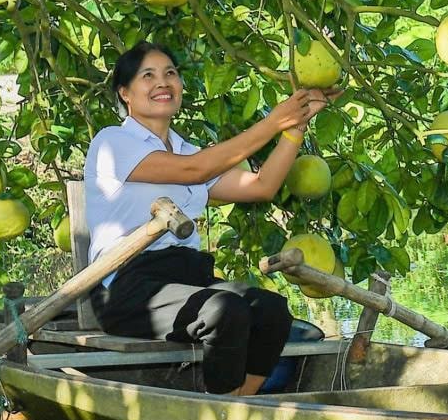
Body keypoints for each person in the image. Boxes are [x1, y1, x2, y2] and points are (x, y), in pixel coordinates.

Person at [85, 40, 340, 396]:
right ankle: (223, 413)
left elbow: (261, 186)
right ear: (125, 93)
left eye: (170, 73)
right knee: (225, 311)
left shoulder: (187, 150)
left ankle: (236, 403)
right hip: (128, 289)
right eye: (148, 76)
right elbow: (193, 170)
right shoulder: (113, 142)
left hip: (187, 277)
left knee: (271, 310)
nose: (163, 82)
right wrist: (271, 122)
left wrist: (295, 126)